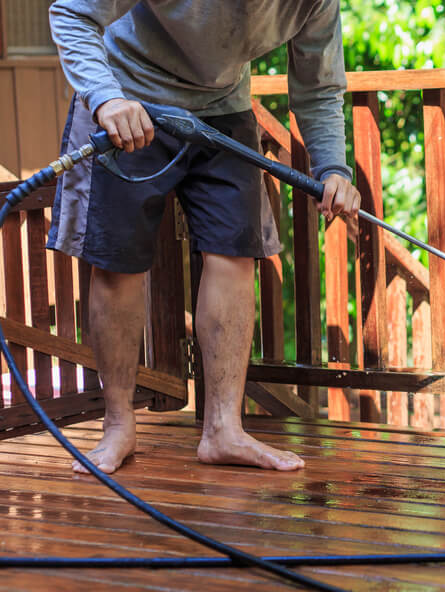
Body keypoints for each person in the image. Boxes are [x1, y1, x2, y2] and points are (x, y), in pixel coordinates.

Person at [47, 1, 360, 474]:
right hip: (128, 96)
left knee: (236, 253)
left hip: (223, 107)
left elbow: (318, 86)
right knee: (118, 262)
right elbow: (71, 13)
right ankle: (117, 426)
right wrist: (105, 97)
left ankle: (222, 430)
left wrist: (333, 167)